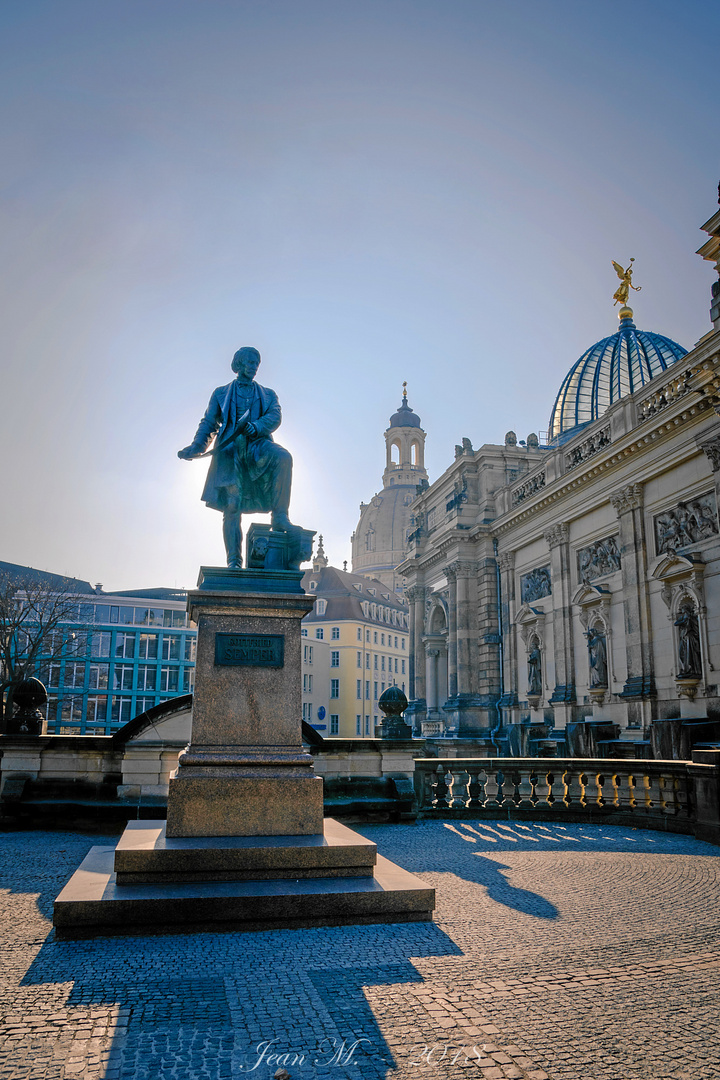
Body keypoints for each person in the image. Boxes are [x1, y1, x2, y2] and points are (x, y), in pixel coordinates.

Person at [178, 347, 293, 568]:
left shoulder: (268, 394)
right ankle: (234, 559)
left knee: (284, 457)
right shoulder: (220, 393)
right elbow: (209, 423)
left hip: (258, 446)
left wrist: (257, 426)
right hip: (230, 452)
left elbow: (275, 416)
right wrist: (196, 447)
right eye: (249, 362)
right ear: (238, 364)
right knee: (232, 505)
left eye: (256, 363)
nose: (253, 367)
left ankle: (280, 515)